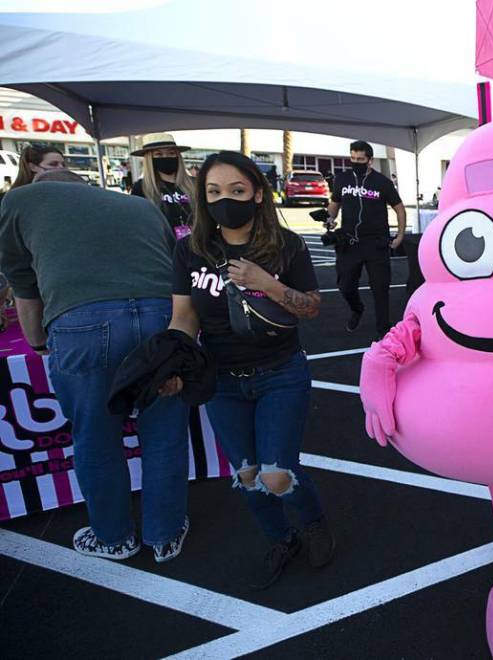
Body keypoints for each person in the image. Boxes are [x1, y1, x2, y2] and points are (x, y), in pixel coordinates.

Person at [0, 168, 191, 562]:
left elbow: (23, 285)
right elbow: (174, 270)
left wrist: (38, 341)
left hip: (82, 322)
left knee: (96, 436)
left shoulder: (19, 201)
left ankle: (113, 537)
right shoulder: (140, 205)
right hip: (161, 316)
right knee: (164, 432)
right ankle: (165, 534)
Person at [164, 150, 334, 589]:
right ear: (202, 198)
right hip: (220, 380)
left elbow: (312, 308)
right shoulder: (190, 250)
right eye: (214, 191)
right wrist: (172, 361)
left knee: (277, 473)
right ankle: (281, 538)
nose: (226, 200)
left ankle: (313, 522)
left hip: (280, 373)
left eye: (237, 190)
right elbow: (183, 317)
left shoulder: (286, 245)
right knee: (247, 476)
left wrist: (268, 285)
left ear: (258, 193)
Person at [326, 140, 406, 337]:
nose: (356, 162)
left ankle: (383, 330)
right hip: (349, 243)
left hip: (376, 244)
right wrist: (330, 219)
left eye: (360, 159)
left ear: (370, 160)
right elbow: (334, 204)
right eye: (353, 158)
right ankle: (357, 309)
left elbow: (400, 209)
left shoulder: (382, 183)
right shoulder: (342, 179)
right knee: (345, 286)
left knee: (380, 288)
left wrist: (400, 235)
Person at [131, 132, 196, 236]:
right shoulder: (141, 188)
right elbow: (137, 223)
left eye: (171, 153)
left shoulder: (194, 184)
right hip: (161, 247)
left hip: (194, 246)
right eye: (158, 154)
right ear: (149, 158)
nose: (166, 157)